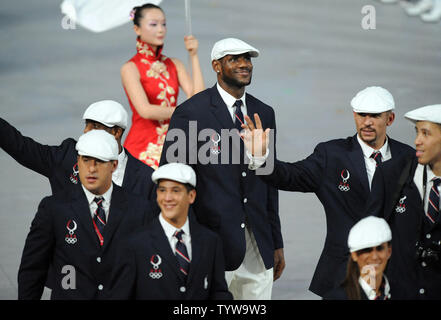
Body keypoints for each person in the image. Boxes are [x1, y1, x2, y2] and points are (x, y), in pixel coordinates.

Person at [242, 86, 414, 297]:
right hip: (343, 276)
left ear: (390, 119)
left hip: (396, 276)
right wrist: (261, 159)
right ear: (354, 115)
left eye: (375, 116)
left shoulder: (409, 158)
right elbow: (288, 176)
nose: (367, 122)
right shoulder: (331, 155)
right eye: (362, 115)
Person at [160, 38, 284, 300]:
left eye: (247, 59)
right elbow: (172, 181)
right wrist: (179, 240)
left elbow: (269, 180)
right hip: (211, 244)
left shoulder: (265, 112)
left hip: (257, 245)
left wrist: (276, 240)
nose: (244, 65)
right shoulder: (190, 112)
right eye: (234, 59)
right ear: (217, 66)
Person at [18, 130, 155, 299]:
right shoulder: (53, 208)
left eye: (99, 161)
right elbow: (32, 269)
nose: (91, 168)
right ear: (78, 161)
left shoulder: (140, 209)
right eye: (86, 160)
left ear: (114, 165)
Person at [108, 163, 232, 300]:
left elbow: (219, 293)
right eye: (162, 190)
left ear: (191, 196)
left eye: (175, 190)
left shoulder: (210, 242)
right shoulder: (135, 245)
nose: (167, 198)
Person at [0, 100, 155, 199]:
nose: (86, 131)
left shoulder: (145, 178)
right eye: (86, 124)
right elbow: (22, 148)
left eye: (94, 126)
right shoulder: (66, 157)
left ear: (116, 132)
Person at [366, 104, 441, 299]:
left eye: (426, 134)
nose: (417, 141)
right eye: (417, 132)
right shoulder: (391, 174)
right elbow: (371, 235)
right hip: (400, 291)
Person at [122, 3, 204, 169]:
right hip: (142, 149)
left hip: (176, 143)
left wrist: (194, 55)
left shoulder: (174, 64)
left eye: (163, 24)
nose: (161, 29)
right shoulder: (130, 68)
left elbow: (199, 100)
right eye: (153, 24)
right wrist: (185, 112)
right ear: (137, 29)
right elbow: (145, 110)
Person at [324, 216, 393, 300]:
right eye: (367, 250)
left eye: (380, 248)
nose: (374, 256)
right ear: (354, 255)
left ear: (389, 251)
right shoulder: (336, 298)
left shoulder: (402, 293)